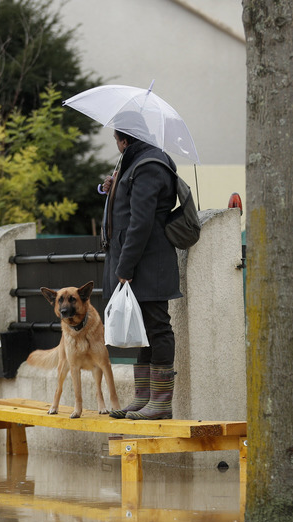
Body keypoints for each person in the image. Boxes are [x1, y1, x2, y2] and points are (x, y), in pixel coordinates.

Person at [102, 117, 182, 421]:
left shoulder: (149, 165)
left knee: (158, 327)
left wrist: (125, 266)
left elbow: (141, 223)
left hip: (150, 264)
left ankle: (161, 402)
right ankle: (143, 397)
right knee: (143, 330)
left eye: (116, 140)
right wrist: (111, 187)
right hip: (140, 263)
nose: (117, 146)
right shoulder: (135, 164)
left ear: (125, 140)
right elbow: (127, 208)